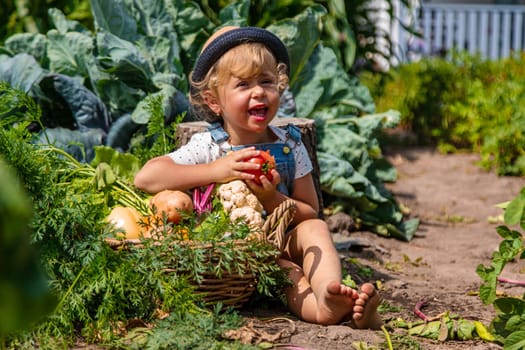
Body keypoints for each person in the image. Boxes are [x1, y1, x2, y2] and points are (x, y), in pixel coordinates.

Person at [133, 25, 382, 328]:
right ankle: (325, 310)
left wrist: (270, 197)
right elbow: (146, 177)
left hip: (282, 239)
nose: (259, 91)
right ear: (214, 101)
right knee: (287, 272)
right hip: (235, 252)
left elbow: (309, 211)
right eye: (243, 85)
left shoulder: (289, 144)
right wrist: (217, 170)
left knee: (315, 229)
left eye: (266, 81)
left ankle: (330, 293)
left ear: (279, 86)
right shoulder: (211, 146)